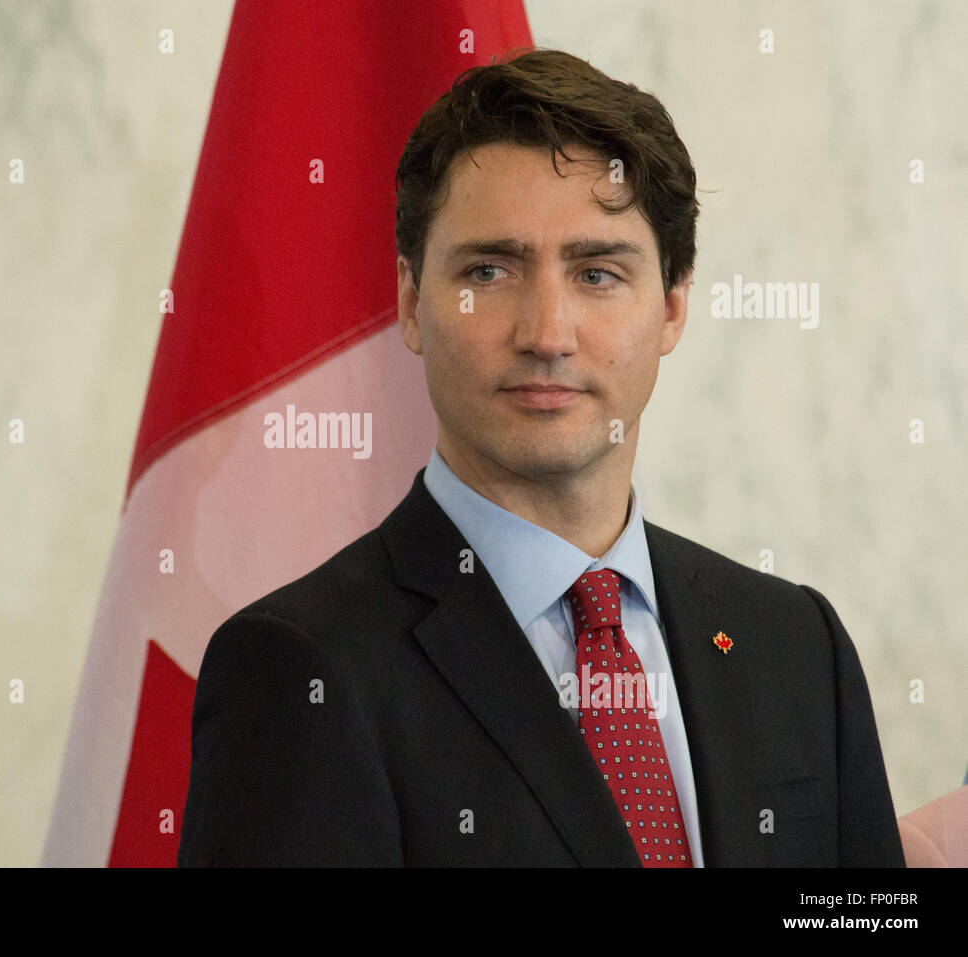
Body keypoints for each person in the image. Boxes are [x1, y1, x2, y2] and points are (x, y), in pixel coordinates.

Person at [177, 48, 904, 867]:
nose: (548, 334)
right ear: (413, 303)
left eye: (597, 272)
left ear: (671, 308)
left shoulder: (798, 644)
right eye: (488, 271)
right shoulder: (298, 669)